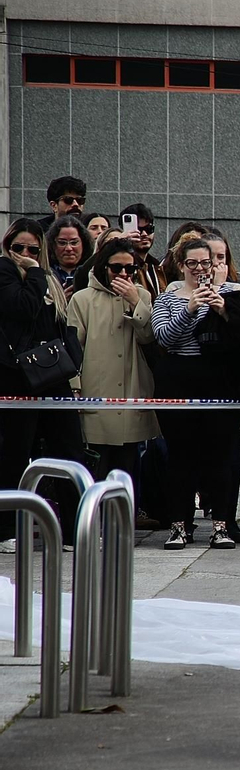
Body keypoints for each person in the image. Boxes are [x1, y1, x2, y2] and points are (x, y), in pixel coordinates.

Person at [152, 236, 240, 550]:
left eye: (204, 263)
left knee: (220, 455)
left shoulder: (233, 293)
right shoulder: (167, 298)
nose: (199, 269)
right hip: (178, 380)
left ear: (215, 264)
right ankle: (179, 527)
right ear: (181, 265)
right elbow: (164, 338)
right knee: (180, 457)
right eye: (191, 263)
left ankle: (221, 526)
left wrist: (224, 313)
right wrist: (191, 308)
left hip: (220, 382)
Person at [0, 218, 85, 555]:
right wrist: (34, 272)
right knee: (14, 455)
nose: (24, 254)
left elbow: (58, 326)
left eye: (33, 249)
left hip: (51, 376)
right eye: (17, 247)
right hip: (14, 377)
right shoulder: (7, 273)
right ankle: (8, 529)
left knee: (69, 451)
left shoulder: (49, 280)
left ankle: (74, 530)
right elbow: (21, 308)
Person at [65, 237, 158, 486]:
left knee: (128, 468)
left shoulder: (142, 295)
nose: (124, 274)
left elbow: (149, 335)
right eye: (117, 268)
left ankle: (125, 520)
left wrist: (135, 302)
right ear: (103, 266)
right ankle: (94, 522)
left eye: (130, 269)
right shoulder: (82, 299)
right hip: (96, 392)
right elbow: (75, 347)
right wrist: (75, 385)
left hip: (131, 393)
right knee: (97, 466)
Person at [44, 215, 92, 299]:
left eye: (74, 243)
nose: (68, 248)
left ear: (83, 243)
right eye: (62, 243)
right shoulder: (44, 273)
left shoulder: (92, 272)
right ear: (53, 245)